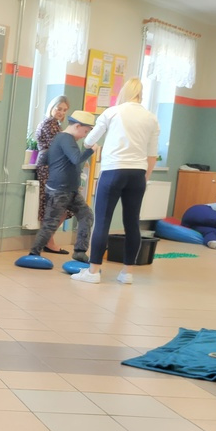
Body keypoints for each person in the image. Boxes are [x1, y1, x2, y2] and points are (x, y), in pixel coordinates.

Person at [71, 78, 159, 285]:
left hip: (113, 171)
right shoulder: (151, 118)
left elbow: (89, 140)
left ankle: (93, 272)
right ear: (141, 94)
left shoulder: (112, 112)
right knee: (132, 222)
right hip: (137, 174)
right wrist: (144, 177)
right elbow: (152, 155)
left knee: (102, 221)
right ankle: (127, 273)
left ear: (124, 92)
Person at [28, 110, 97, 263]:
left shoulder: (64, 139)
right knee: (51, 223)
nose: (85, 135)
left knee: (86, 215)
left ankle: (79, 251)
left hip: (69, 190)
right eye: (85, 131)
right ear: (77, 126)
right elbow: (76, 159)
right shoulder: (66, 139)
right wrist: (91, 150)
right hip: (59, 190)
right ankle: (34, 253)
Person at [34, 95, 72, 254]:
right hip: (50, 168)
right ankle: (48, 241)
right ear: (52, 107)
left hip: (51, 166)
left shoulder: (54, 124)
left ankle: (48, 240)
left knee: (59, 206)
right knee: (58, 206)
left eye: (64, 110)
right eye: (59, 108)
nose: (61, 112)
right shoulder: (50, 124)